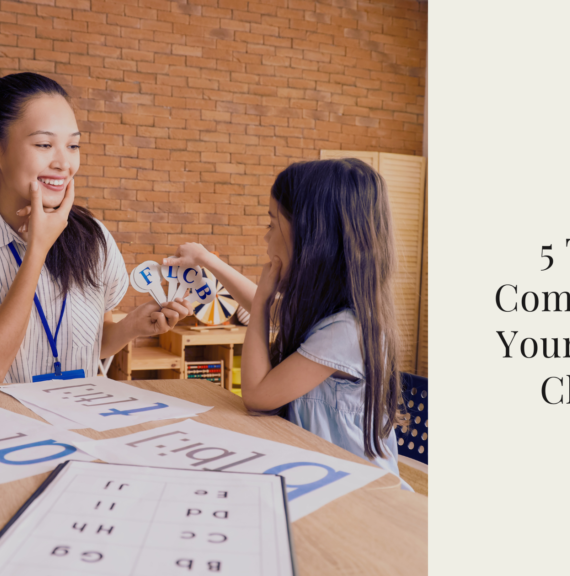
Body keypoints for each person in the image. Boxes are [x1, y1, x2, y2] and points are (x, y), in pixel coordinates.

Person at [0, 71, 190, 384]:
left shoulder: (94, 237)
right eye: (45, 144)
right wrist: (37, 250)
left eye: (73, 146)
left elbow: (91, 343)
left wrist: (132, 327)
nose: (64, 163)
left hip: (71, 424)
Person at [164, 159, 410, 485]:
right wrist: (207, 260)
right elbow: (255, 300)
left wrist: (265, 300)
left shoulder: (347, 332)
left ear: (313, 238)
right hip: (322, 472)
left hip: (360, 492)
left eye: (271, 224)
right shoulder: (334, 316)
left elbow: (257, 394)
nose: (266, 241)